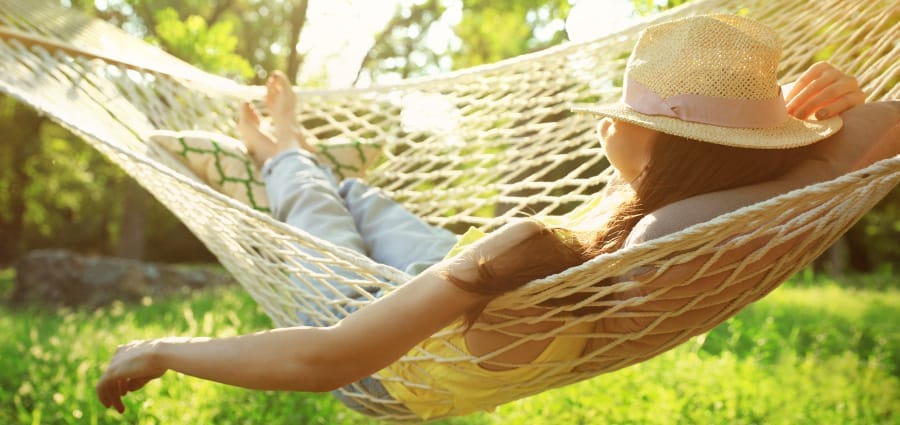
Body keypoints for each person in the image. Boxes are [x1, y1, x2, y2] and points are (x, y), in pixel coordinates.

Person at [96, 14, 899, 418]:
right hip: (475, 274)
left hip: (377, 322)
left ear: (660, 141)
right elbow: (863, 138)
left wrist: (163, 344)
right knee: (368, 200)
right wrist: (806, 145)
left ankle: (282, 154)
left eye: (622, 108)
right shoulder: (692, 218)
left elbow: (327, 359)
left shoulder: (658, 238)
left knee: (314, 207)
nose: (608, 118)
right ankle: (317, 160)